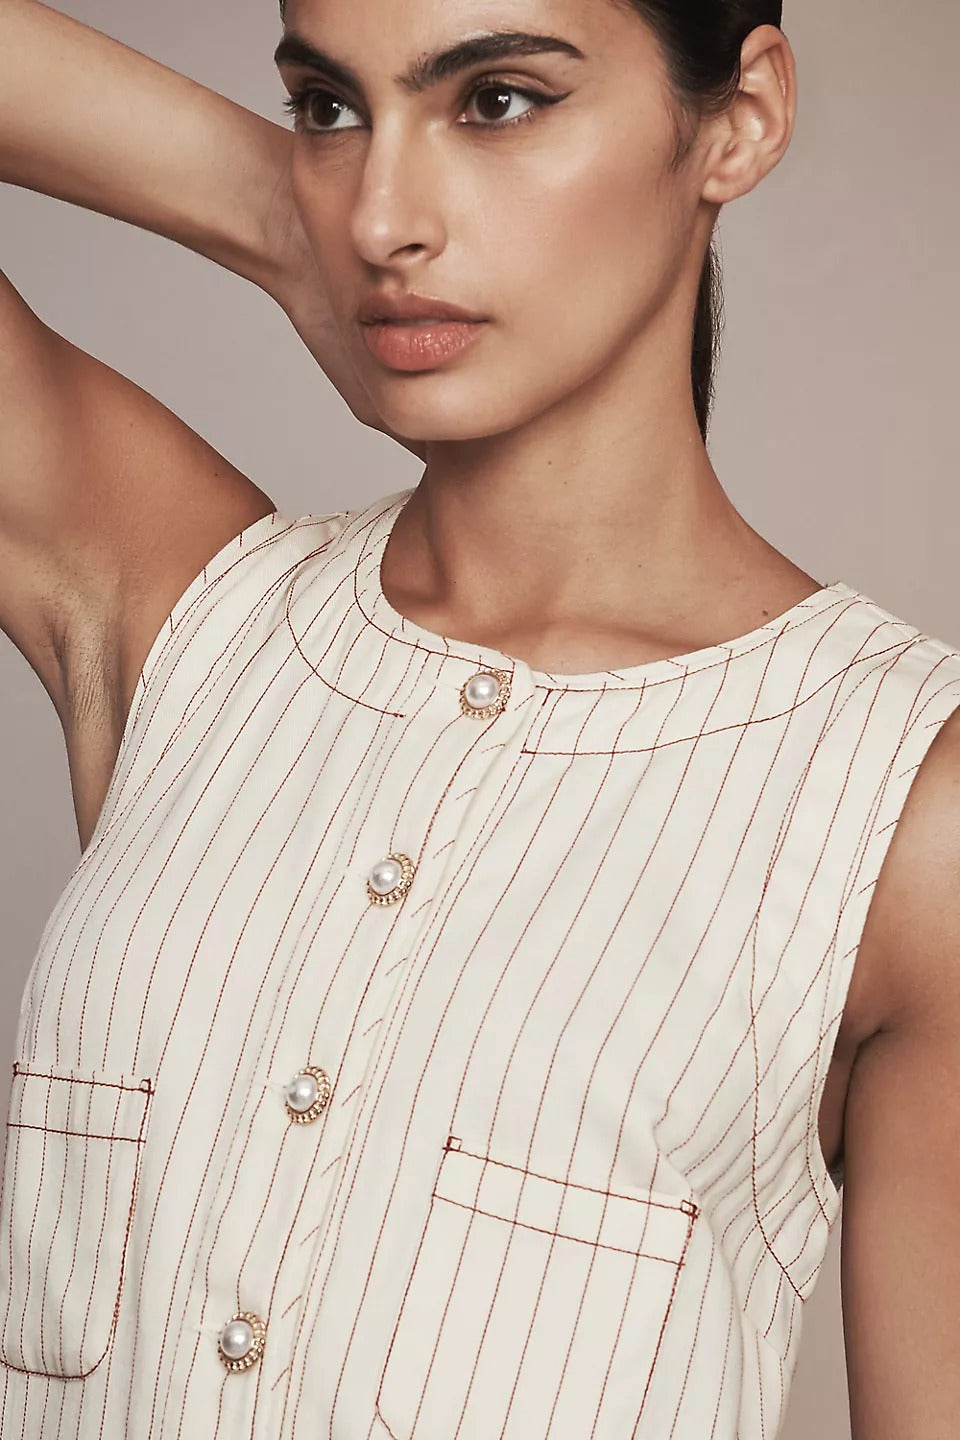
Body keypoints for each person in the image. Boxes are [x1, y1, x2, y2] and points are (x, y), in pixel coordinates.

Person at [0, 0, 958, 1436]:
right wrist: (283, 217)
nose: (388, 216)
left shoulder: (900, 808)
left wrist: (322, 209)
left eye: (498, 100)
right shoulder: (180, 618)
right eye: (331, 109)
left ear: (740, 117)